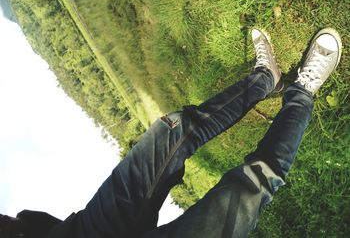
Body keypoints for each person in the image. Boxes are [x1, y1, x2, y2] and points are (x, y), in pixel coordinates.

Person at [0, 27, 342, 238]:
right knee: (244, 195)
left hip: (78, 232)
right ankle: (302, 92)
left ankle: (266, 78)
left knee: (171, 132)